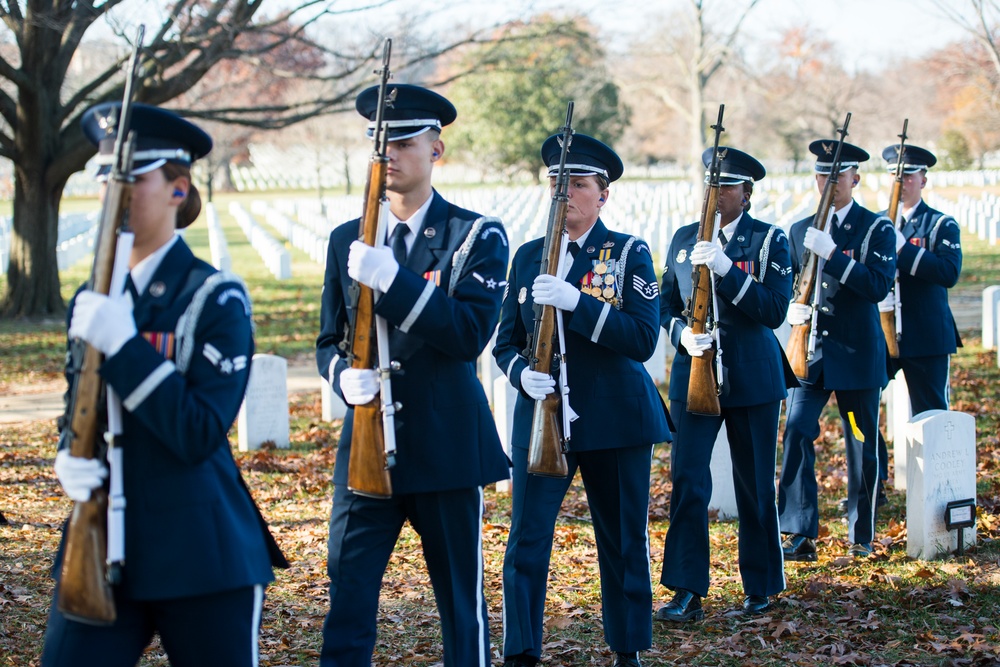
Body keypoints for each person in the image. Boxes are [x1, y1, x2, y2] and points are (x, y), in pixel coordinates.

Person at [42, 102, 287, 667]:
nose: (114, 192)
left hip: (200, 552)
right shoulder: (93, 296)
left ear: (179, 189)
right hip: (101, 541)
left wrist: (126, 348)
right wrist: (66, 455)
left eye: (132, 177)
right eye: (105, 178)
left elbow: (199, 432)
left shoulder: (214, 296)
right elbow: (77, 402)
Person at [315, 84, 510, 667]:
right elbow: (329, 338)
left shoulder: (475, 235)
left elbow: (468, 333)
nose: (388, 154)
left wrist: (393, 282)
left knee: (460, 602)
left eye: (402, 140)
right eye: (378, 143)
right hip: (366, 448)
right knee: (347, 598)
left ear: (437, 149)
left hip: (445, 444)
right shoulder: (346, 239)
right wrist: (339, 376)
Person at [493, 133, 670, 667]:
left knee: (620, 539)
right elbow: (504, 341)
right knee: (526, 539)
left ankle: (628, 647)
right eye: (555, 182)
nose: (563, 192)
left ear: (603, 195)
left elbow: (642, 339)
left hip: (616, 414)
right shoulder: (527, 257)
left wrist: (578, 303)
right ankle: (521, 649)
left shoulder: (629, 253)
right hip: (544, 415)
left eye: (577, 183)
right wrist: (521, 373)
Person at [654, 147, 795, 623]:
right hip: (693, 376)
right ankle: (686, 587)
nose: (714, 194)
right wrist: (682, 336)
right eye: (709, 184)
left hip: (753, 376)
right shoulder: (681, 238)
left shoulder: (769, 239)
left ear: (746, 193)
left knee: (754, 483)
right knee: (688, 480)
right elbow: (664, 306)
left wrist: (726, 270)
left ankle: (760, 584)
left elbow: (774, 310)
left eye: (725, 186)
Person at [778, 139, 897, 562]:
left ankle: (860, 532)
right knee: (796, 432)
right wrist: (792, 307)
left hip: (857, 357)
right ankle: (798, 529)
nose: (830, 182)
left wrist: (836, 257)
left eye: (838, 174)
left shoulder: (875, 227)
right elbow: (793, 282)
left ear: (855, 178)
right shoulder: (799, 229)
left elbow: (878, 285)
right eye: (823, 174)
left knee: (860, 442)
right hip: (810, 354)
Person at [876, 143, 962, 479]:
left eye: (909, 175)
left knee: (932, 411)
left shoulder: (941, 224)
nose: (902, 182)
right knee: (862, 407)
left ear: (923, 180)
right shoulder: (877, 223)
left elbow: (947, 273)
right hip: (882, 330)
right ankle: (874, 481)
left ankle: (938, 481)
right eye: (895, 176)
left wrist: (904, 251)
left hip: (926, 332)